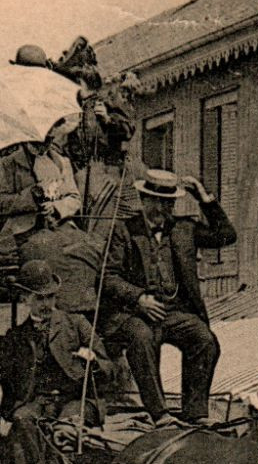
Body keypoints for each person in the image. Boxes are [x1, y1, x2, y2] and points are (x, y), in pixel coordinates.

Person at [0, 260, 110, 464]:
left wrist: (92, 360)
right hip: (36, 403)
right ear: (26, 298)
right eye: (39, 298)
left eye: (50, 297)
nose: (46, 304)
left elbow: (110, 368)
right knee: (24, 421)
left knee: (67, 428)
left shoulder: (77, 324)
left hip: (75, 400)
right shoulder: (16, 336)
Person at [101, 169, 235, 426]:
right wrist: (139, 298)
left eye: (170, 202)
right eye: (159, 201)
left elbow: (226, 235)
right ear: (144, 200)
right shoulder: (124, 230)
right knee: (142, 337)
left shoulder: (184, 229)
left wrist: (205, 199)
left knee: (204, 339)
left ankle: (195, 413)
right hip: (135, 312)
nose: (165, 208)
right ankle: (160, 414)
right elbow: (108, 277)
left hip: (173, 311)